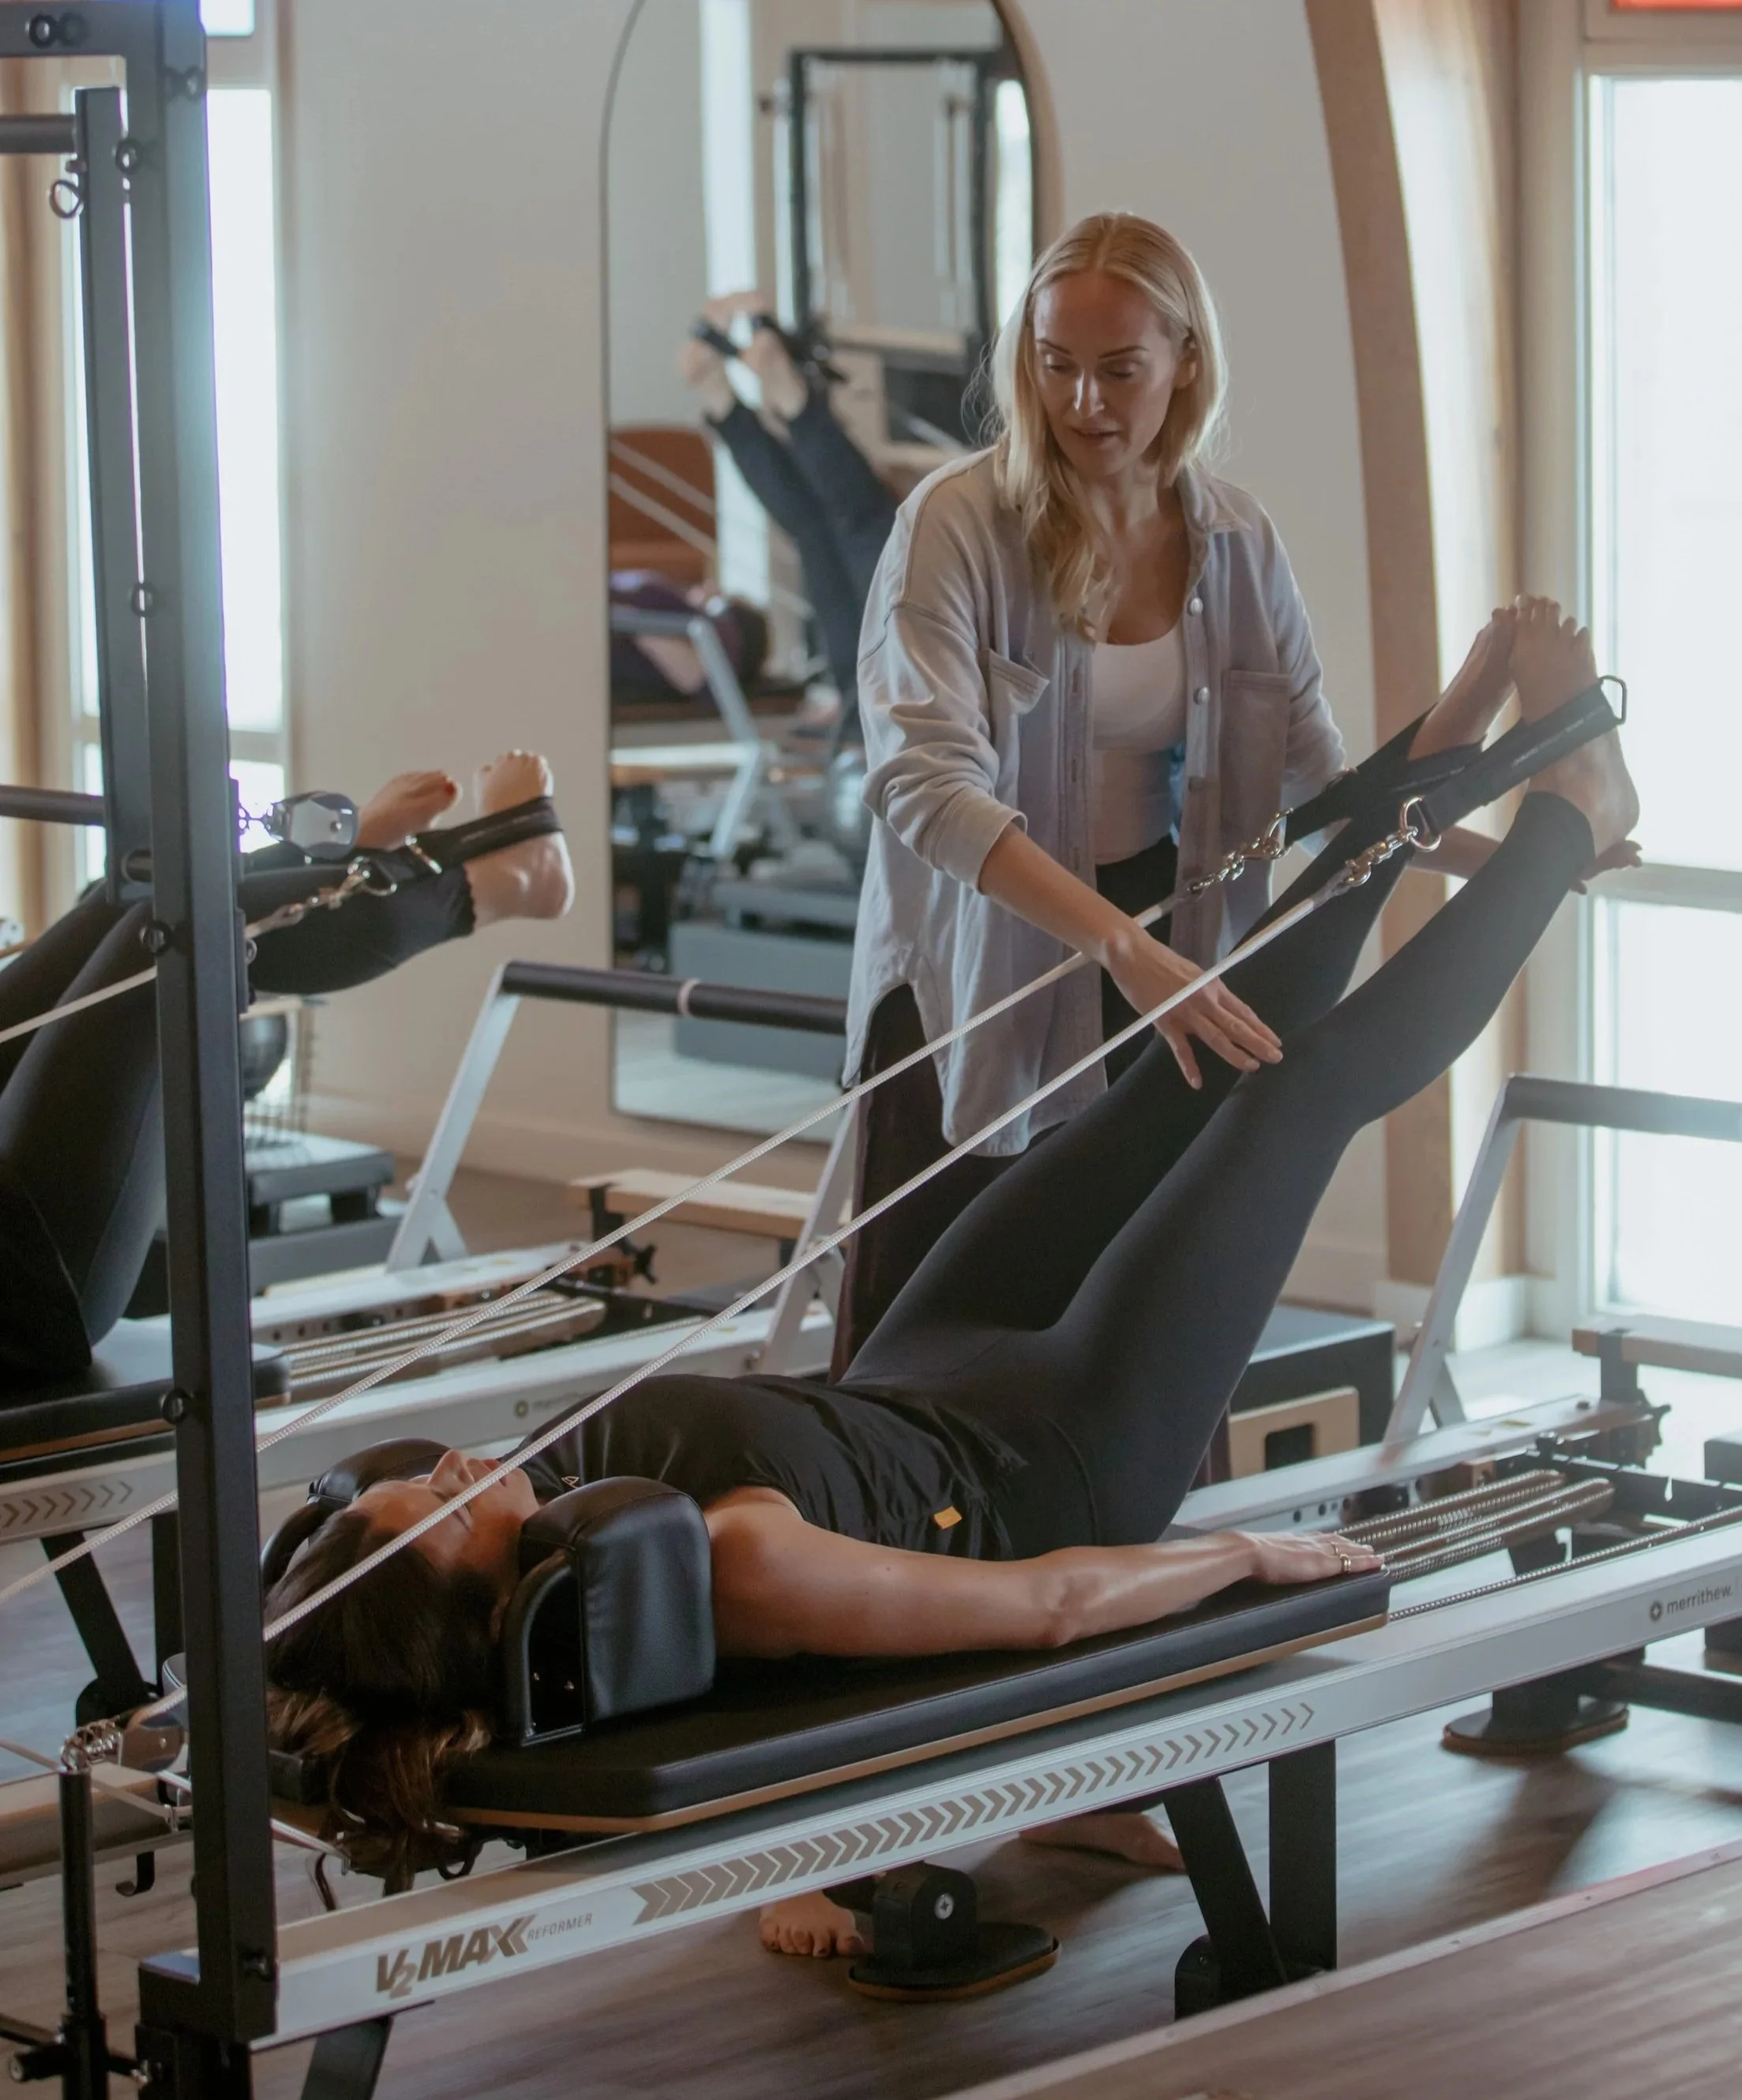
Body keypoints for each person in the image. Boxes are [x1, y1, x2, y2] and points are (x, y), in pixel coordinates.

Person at [263, 602, 1639, 1899]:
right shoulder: (729, 1567)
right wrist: (1248, 1565)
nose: (447, 1469)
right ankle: (1570, 824)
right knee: (1295, 1091)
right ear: (492, 1602)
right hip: (1065, 1453)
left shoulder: (574, 1517)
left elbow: (330, 1601)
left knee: (1191, 1050)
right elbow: (1046, 1608)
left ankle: (1445, 755)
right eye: (439, 1515)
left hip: (925, 1372)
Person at [835, 211, 1522, 1375]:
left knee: (1128, 1330)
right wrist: (1121, 949)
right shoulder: (954, 525)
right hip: (982, 971)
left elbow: (1322, 788)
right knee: (927, 1337)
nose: (1083, 403)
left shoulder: (1237, 541)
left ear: (1186, 363)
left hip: (1166, 953)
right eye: (1055, 367)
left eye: (1119, 371)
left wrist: (1517, 856)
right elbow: (922, 785)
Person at [0, 752, 573, 1381]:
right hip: (25, 1298)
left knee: (129, 898)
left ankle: (349, 859)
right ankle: (489, 881)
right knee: (167, 942)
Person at [678, 292, 902, 711]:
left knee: (821, 532)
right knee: (859, 525)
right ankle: (777, 404)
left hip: (867, 708)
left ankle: (733, 406)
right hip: (880, 707)